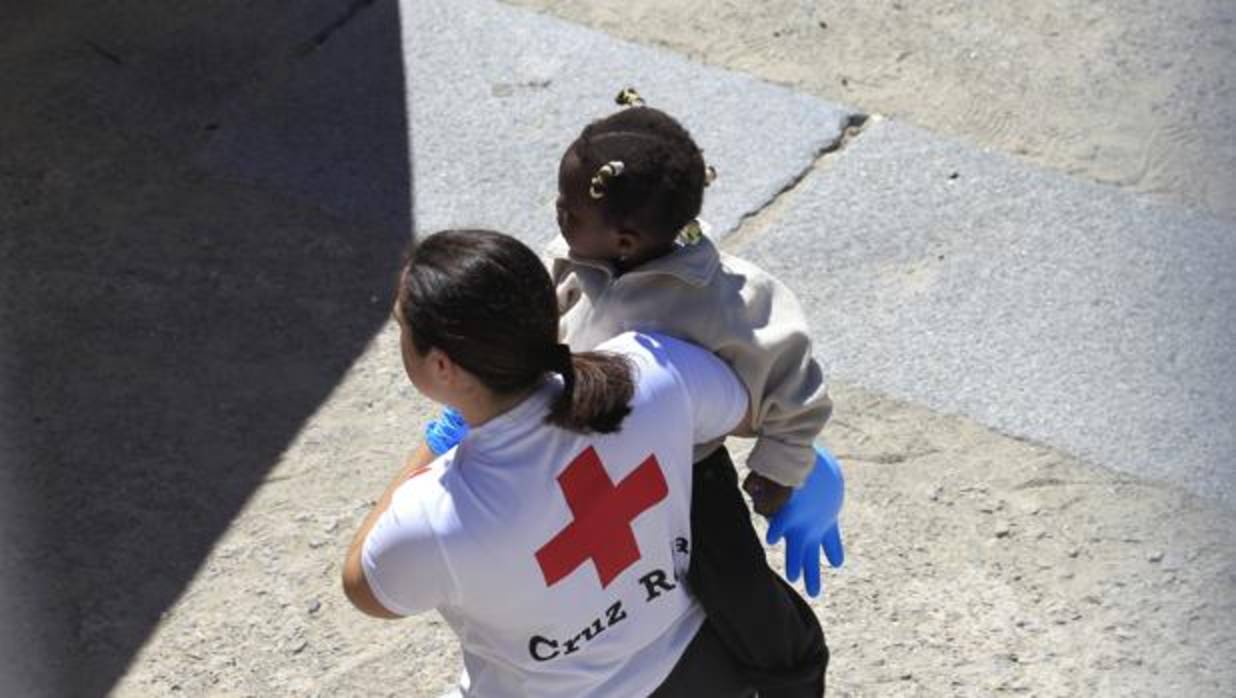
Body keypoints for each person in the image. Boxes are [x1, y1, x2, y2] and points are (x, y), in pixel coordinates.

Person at [342, 228, 760, 697]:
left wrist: (439, 441)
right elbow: (744, 410)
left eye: (401, 325)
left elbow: (363, 586)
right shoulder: (651, 370)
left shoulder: (435, 514)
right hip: (698, 670)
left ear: (443, 367)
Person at [545, 89, 831, 696]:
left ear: (624, 238)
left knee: (735, 588)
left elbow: (795, 384)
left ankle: (789, 672)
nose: (557, 216)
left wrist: (781, 467)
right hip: (584, 465)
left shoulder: (724, 300)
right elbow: (532, 327)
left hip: (686, 473)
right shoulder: (572, 261)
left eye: (569, 211)